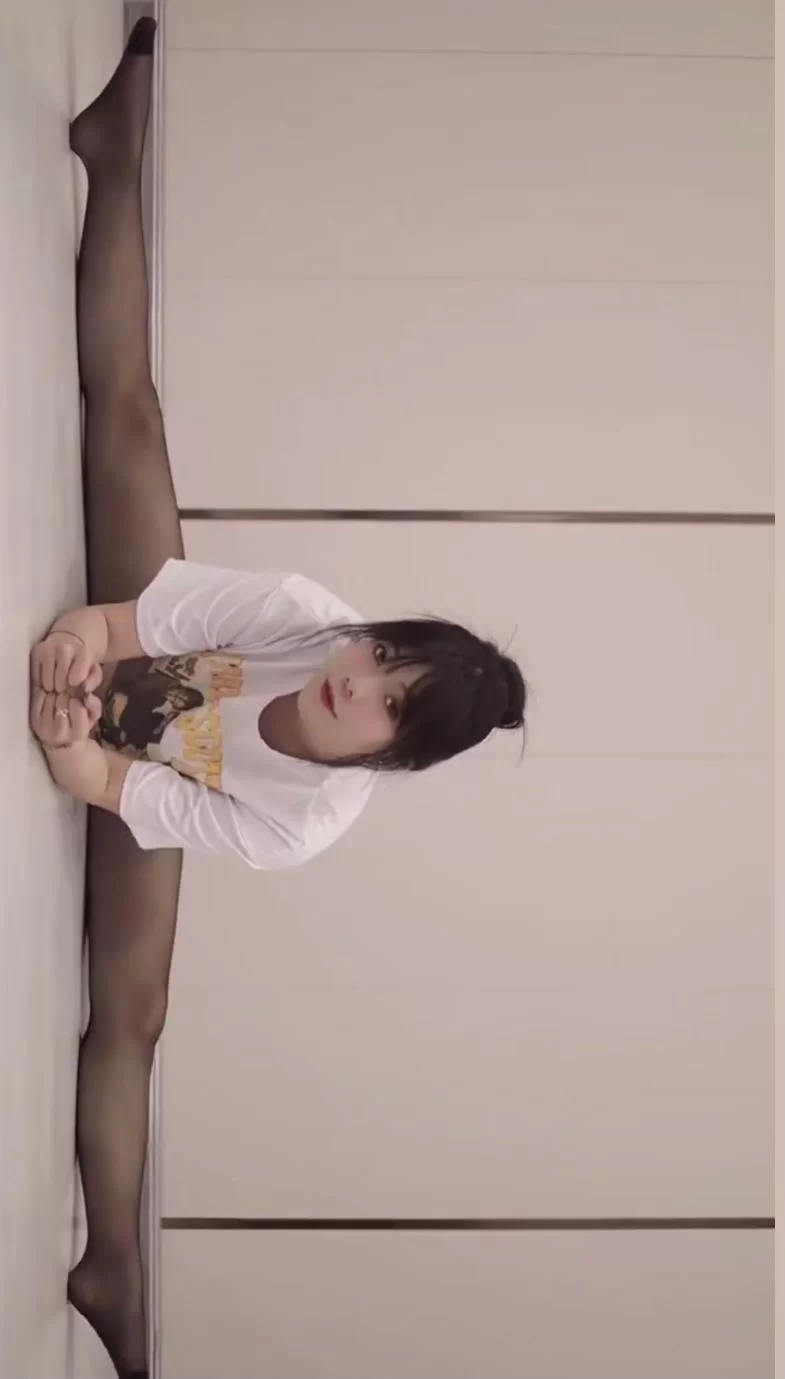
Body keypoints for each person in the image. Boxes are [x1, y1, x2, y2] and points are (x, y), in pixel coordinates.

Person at [27, 19, 527, 1379]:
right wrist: (75, 644)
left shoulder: (304, 818)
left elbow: (121, 790)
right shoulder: (312, 620)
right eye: (388, 656)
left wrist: (74, 752)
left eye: (385, 703)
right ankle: (115, 152)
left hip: (165, 781)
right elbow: (124, 618)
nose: (361, 680)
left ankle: (113, 1265)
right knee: (130, 414)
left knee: (131, 1014)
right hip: (151, 661)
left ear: (389, 754)